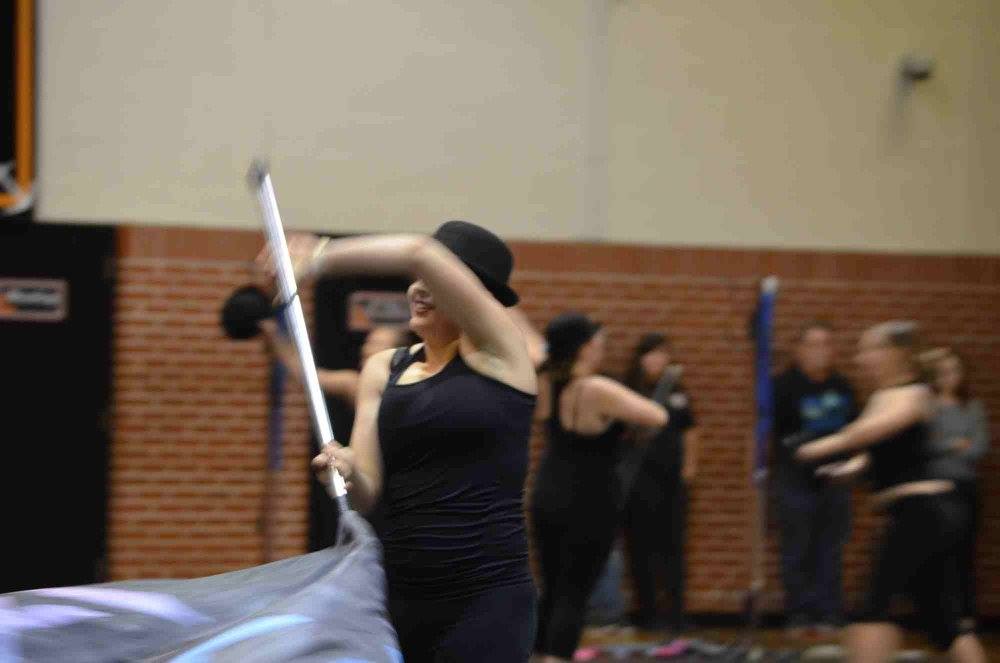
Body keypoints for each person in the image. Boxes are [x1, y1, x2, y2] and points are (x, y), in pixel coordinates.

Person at [272, 221, 538, 662]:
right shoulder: (384, 369)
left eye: (436, 279)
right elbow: (366, 493)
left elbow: (418, 252)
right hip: (399, 595)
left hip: (486, 598)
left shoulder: (504, 359)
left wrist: (319, 256)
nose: (419, 288)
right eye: (417, 280)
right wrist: (346, 470)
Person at [797, 321, 987, 663]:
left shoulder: (913, 393)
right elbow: (874, 455)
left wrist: (817, 447)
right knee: (944, 623)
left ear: (897, 354)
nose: (860, 358)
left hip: (923, 513)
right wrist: (844, 470)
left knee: (873, 608)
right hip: (927, 513)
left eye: (869, 349)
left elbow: (873, 430)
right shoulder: (883, 396)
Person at [531, 312, 668, 663]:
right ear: (584, 347)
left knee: (552, 589)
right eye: (598, 341)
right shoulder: (595, 388)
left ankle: (539, 656)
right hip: (588, 500)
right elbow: (658, 415)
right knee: (573, 593)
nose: (602, 346)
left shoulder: (546, 380)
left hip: (547, 493)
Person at [771, 321, 857, 635]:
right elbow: (774, 433)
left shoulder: (843, 387)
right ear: (799, 350)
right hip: (795, 478)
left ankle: (829, 612)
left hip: (834, 478)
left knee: (830, 548)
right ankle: (799, 612)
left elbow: (855, 430)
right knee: (797, 547)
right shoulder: (784, 386)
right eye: (813, 344)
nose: (820, 351)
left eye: (826, 344)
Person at [621, 333, 700, 633]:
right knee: (639, 547)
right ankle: (647, 613)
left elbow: (690, 431)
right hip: (638, 481)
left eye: (662, 355)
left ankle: (676, 614)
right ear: (641, 359)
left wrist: (689, 468)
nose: (657, 361)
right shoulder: (629, 391)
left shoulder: (677, 394)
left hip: (671, 481)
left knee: (673, 548)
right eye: (651, 354)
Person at [926, 348, 991, 630]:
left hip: (966, 487)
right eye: (943, 372)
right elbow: (926, 446)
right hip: (936, 487)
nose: (948, 377)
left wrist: (947, 444)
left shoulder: (972, 407)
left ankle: (964, 614)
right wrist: (956, 444)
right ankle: (939, 614)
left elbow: (979, 448)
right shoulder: (928, 406)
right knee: (938, 552)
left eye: (954, 371)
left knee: (964, 552)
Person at [261, 322, 413, 404]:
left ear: (397, 354)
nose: (366, 349)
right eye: (368, 343)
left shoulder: (413, 386)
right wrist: (274, 336)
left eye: (376, 344)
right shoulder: (356, 384)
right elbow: (307, 377)